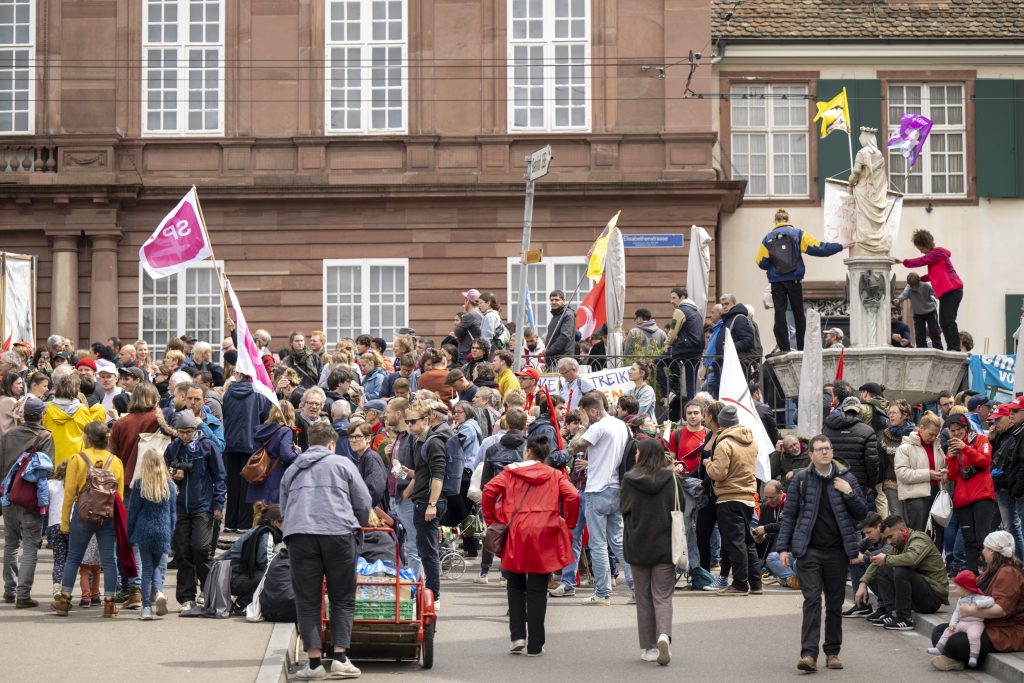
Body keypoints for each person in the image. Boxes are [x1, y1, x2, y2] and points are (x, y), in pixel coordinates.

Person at [280, 421, 370, 680]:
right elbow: (363, 503)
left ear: (309, 443)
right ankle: (340, 658)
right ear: (332, 444)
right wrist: (359, 523)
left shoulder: (293, 469)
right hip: (338, 534)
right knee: (342, 596)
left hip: (300, 535)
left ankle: (314, 662)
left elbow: (284, 506)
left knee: (307, 600)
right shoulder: (342, 464)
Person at [776, 434, 868, 672]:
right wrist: (783, 547)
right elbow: (790, 516)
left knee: (835, 604)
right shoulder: (801, 479)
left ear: (832, 451)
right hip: (809, 551)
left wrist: (849, 492)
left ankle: (833, 652)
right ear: (811, 455)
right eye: (820, 449)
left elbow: (861, 513)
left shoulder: (846, 477)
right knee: (813, 601)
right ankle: (808, 655)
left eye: (828, 448)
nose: (825, 452)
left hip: (837, 552)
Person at [482, 435, 579, 657]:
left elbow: (488, 491)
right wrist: (568, 520)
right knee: (537, 589)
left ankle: (517, 636)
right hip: (545, 530)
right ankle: (535, 643)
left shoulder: (510, 472)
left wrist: (492, 519)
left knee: (515, 585)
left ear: (527, 452)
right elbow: (572, 496)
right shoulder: (554, 475)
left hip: (515, 530)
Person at [50, 421, 125, 618]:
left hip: (83, 515)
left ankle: (65, 601)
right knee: (108, 560)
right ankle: (109, 603)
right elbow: (120, 497)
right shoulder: (115, 461)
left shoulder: (77, 459)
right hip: (107, 517)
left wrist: (65, 522)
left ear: (88, 438)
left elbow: (69, 494)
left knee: (73, 557)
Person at [620, 439, 683, 665]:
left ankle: (649, 648)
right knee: (663, 595)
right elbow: (680, 506)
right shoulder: (672, 478)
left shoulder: (629, 479)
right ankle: (663, 635)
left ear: (642, 455)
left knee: (644, 597)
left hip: (637, 544)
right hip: (666, 543)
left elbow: (624, 508)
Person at [568, 392, 634, 604]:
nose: (583, 418)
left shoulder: (598, 426)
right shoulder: (622, 425)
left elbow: (573, 447)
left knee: (597, 544)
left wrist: (584, 426)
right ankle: (637, 589)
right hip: (617, 487)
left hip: (598, 489)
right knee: (619, 542)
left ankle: (603, 593)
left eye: (585, 413)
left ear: (593, 410)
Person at [929, 530, 1024, 671]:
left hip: (1005, 630)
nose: (983, 551)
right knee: (939, 631)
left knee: (955, 642)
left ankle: (960, 658)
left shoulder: (1009, 572)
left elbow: (1001, 610)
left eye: (985, 548)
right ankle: (961, 659)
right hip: (986, 625)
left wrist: (971, 610)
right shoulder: (992, 570)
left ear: (993, 551)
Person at [756, 208, 848, 353]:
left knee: (779, 313)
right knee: (798, 313)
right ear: (788, 220)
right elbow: (819, 248)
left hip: (777, 282)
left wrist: (774, 265)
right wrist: (840, 246)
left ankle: (784, 347)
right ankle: (802, 348)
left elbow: (761, 262)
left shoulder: (768, 238)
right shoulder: (798, 234)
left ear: (775, 221)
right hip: (794, 280)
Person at [164, 410, 226, 612]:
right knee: (182, 552)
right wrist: (174, 475)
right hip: (180, 507)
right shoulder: (173, 449)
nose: (184, 436)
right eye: (181, 432)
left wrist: (218, 503)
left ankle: (207, 591)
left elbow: (220, 476)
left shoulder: (207, 446)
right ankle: (186, 597)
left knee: (201, 549)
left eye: (188, 432)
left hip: (203, 505)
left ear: (195, 430)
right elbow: (164, 475)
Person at [1, 397, 54, 608]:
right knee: (31, 544)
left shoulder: (8, 435)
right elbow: (46, 471)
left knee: (12, 543)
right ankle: (23, 595)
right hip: (30, 498)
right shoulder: (45, 437)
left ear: (23, 415)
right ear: (42, 415)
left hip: (8, 496)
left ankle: (9, 590)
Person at [705, 405, 761, 595]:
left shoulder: (724, 444)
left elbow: (718, 474)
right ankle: (756, 584)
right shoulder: (751, 441)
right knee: (747, 542)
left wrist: (708, 464)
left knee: (735, 543)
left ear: (721, 423)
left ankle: (739, 584)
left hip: (729, 497)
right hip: (748, 497)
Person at [857, 514, 949, 631]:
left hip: (931, 600)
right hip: (917, 597)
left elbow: (912, 558)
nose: (889, 542)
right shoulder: (899, 544)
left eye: (890, 537)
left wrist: (885, 559)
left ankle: (904, 619)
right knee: (883, 567)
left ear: (901, 530)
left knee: (901, 569)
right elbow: (878, 563)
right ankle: (891, 612)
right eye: (887, 538)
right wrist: (863, 583)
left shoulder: (919, 539)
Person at [403, 401, 448, 608]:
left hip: (429, 503)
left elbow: (438, 476)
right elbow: (422, 473)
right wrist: (406, 473)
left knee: (428, 552)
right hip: (422, 501)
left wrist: (432, 504)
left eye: (412, 422)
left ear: (426, 420)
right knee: (424, 550)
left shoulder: (433, 442)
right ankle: (431, 594)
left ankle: (434, 596)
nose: (409, 426)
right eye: (407, 422)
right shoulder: (420, 441)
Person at [477, 408, 528, 583]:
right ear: (524, 425)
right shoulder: (529, 447)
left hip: (499, 499)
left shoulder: (492, 449)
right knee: (519, 538)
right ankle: (509, 573)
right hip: (525, 500)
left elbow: (486, 483)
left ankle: (485, 572)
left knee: (494, 532)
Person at [126, 449, 176, 620]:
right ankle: (160, 593)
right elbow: (173, 514)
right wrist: (170, 532)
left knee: (147, 569)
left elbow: (132, 512)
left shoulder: (140, 485)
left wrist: (129, 534)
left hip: (144, 531)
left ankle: (146, 607)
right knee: (155, 566)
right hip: (163, 531)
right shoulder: (169, 486)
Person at [221, 371, 272, 533]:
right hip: (251, 444)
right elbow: (265, 416)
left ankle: (230, 522)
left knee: (233, 484)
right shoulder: (258, 393)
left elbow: (225, 414)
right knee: (247, 485)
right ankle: (244, 523)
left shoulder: (228, 392)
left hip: (231, 442)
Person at [944, 414, 995, 574]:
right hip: (962, 499)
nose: (956, 433)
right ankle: (973, 574)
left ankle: (989, 572)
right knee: (969, 540)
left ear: (965, 428)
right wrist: (950, 458)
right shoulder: (952, 446)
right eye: (952, 431)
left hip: (982, 496)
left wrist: (965, 448)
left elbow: (985, 461)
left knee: (983, 537)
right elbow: (952, 476)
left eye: (958, 429)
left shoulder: (980, 440)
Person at [901, 229, 964, 351]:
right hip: (947, 292)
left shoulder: (937, 253)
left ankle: (955, 348)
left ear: (926, 244)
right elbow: (933, 276)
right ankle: (951, 347)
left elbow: (922, 261)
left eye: (921, 248)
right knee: (943, 321)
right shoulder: (935, 258)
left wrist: (904, 262)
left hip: (953, 289)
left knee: (949, 320)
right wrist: (919, 279)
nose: (921, 251)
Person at [929, 569, 996, 667]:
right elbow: (956, 613)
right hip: (962, 623)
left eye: (957, 587)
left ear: (965, 588)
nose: (955, 590)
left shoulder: (978, 597)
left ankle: (973, 656)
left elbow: (991, 601)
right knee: (945, 631)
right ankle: (940, 648)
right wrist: (952, 624)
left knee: (973, 636)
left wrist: (979, 604)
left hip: (975, 623)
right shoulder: (961, 599)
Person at [895, 412, 945, 533]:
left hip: (936, 495)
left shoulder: (937, 446)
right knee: (920, 536)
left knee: (937, 536)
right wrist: (929, 474)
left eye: (936, 435)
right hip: (916, 498)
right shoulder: (905, 448)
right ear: (921, 428)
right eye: (931, 434)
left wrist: (944, 471)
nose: (933, 438)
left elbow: (943, 465)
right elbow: (902, 473)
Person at [822, 397, 879, 501]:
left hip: (832, 480)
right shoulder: (867, 431)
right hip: (858, 483)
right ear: (860, 411)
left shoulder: (827, 428)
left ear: (843, 409)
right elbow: (872, 462)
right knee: (857, 513)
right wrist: (871, 484)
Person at [43, 373, 106, 467]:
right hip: (75, 457)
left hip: (51, 456)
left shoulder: (47, 408)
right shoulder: (81, 409)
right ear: (76, 389)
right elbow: (89, 432)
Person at [246, 403, 300, 509]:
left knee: (258, 518)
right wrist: (297, 451)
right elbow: (286, 456)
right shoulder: (285, 431)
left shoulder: (260, 429)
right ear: (291, 414)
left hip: (259, 477)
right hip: (276, 481)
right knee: (274, 519)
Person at [659, 287, 703, 402]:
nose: (671, 301)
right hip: (697, 349)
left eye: (674, 298)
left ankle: (669, 393)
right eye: (671, 298)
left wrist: (667, 344)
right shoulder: (696, 311)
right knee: (691, 383)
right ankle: (692, 406)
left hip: (684, 347)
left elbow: (673, 331)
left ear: (682, 298)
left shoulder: (680, 310)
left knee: (657, 363)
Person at [878, 400, 914, 519]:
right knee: (897, 518)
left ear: (905, 415)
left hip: (911, 481)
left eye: (894, 412)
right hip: (891, 482)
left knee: (910, 519)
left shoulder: (914, 434)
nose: (891, 415)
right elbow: (882, 460)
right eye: (889, 413)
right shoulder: (885, 434)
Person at [897, 272, 943, 349]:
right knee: (919, 334)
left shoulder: (926, 286)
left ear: (919, 282)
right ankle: (922, 349)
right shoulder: (908, 288)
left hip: (930, 311)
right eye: (912, 286)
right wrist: (898, 299)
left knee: (934, 331)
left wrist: (940, 296)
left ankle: (938, 348)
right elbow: (904, 295)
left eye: (916, 286)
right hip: (918, 313)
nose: (914, 288)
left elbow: (935, 294)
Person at [347, 422, 387, 510]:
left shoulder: (371, 458)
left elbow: (374, 490)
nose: (353, 440)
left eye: (358, 436)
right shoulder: (364, 457)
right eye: (351, 437)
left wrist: (361, 509)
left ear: (368, 438)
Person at [663, 400, 706, 475]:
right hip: (684, 479)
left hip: (704, 479)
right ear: (685, 415)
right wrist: (676, 465)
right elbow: (670, 459)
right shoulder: (676, 434)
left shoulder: (709, 434)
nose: (693, 416)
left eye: (696, 413)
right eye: (689, 413)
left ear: (702, 415)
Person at [544, 290, 577, 369]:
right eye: (552, 300)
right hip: (553, 359)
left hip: (563, 359)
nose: (554, 302)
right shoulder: (556, 315)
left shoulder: (568, 315)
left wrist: (549, 351)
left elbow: (565, 336)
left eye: (557, 300)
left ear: (563, 301)